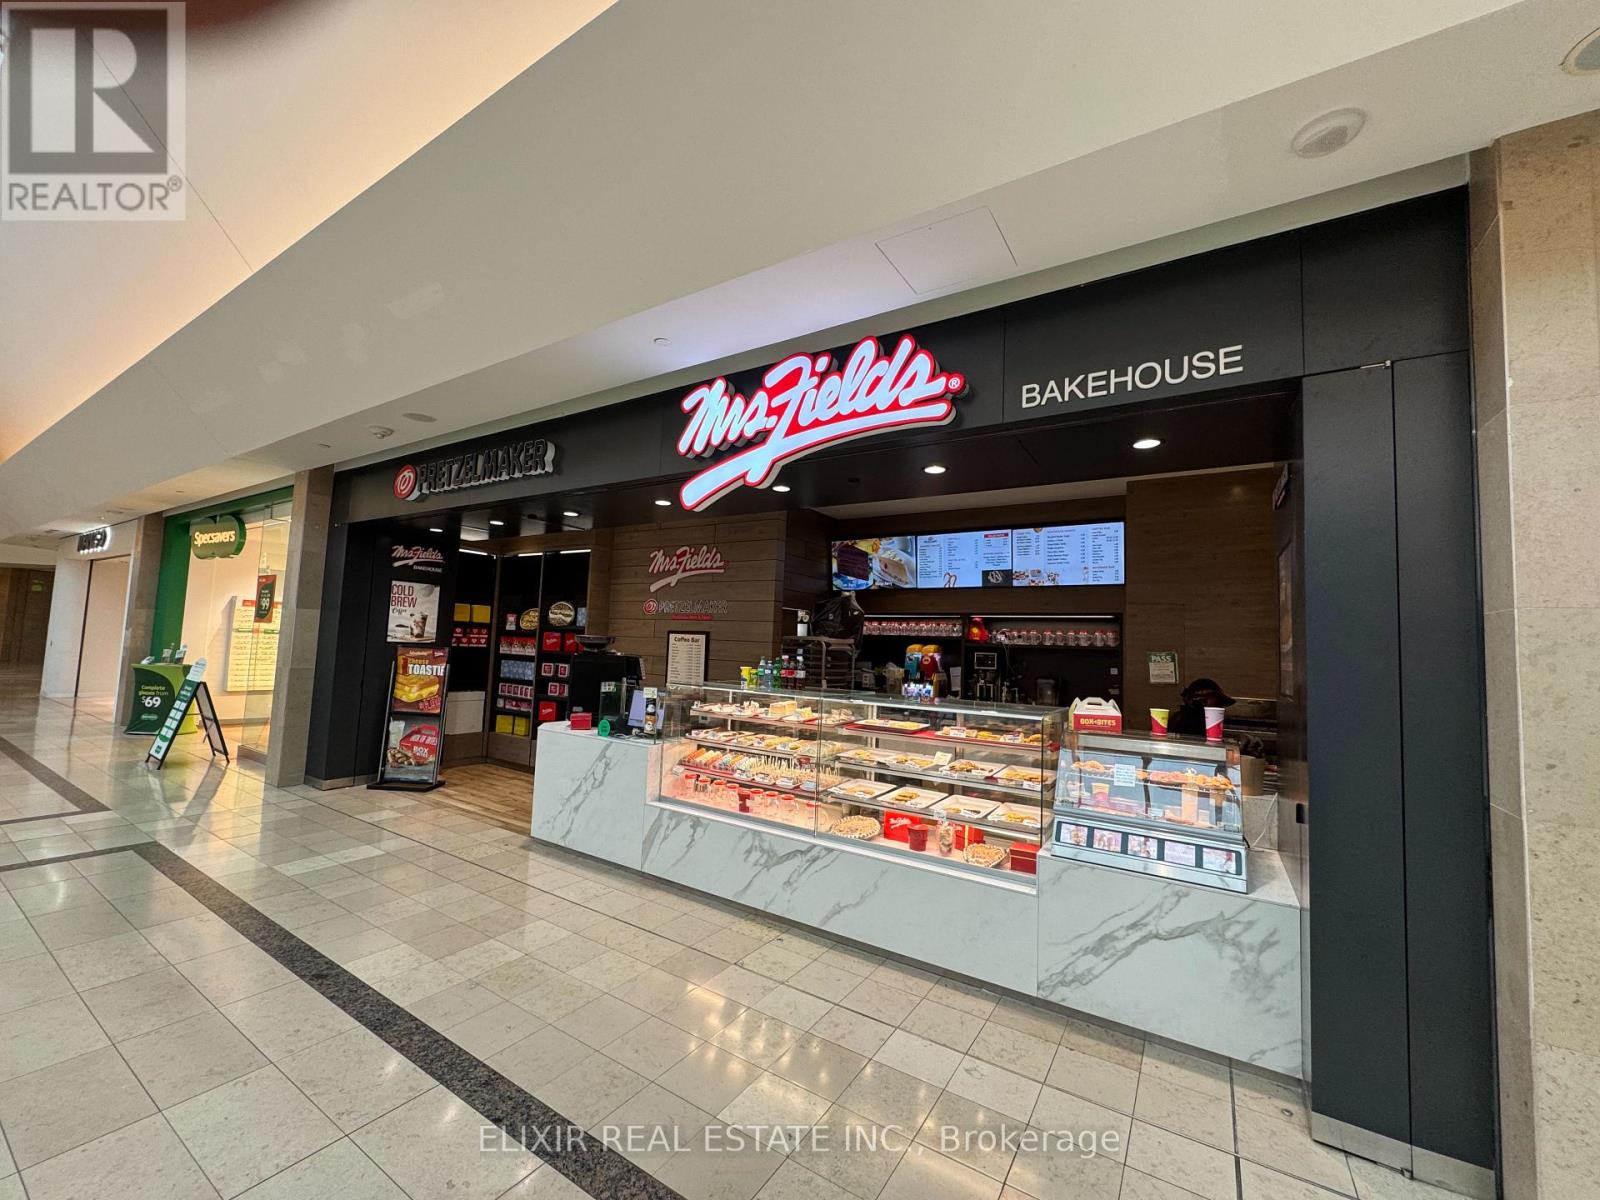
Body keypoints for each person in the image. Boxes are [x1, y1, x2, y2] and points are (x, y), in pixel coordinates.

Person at [1168, 677, 1234, 737]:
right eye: (1218, 704)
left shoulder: (1180, 717)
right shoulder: (1187, 722)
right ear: (1202, 702)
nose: (1220, 708)